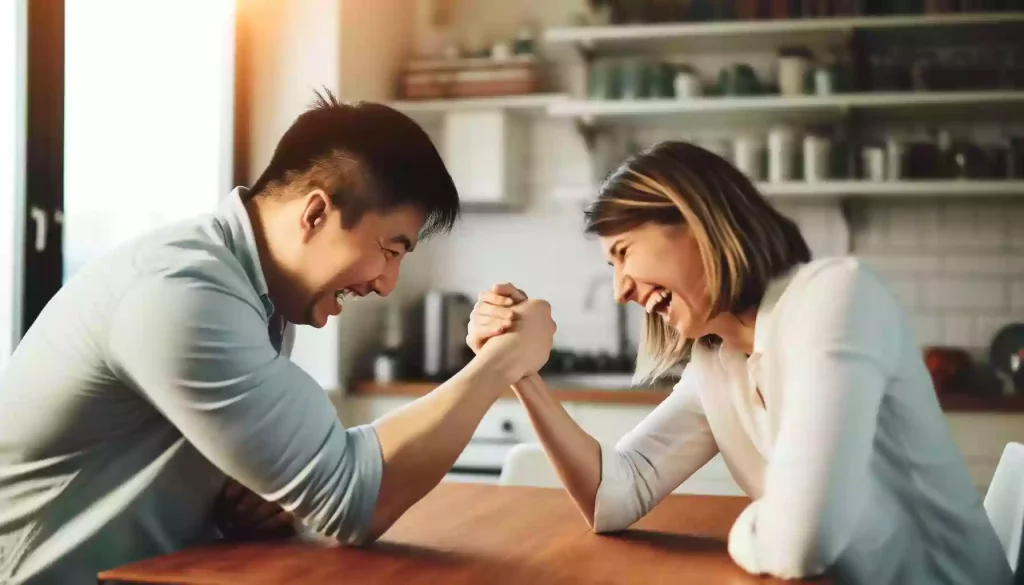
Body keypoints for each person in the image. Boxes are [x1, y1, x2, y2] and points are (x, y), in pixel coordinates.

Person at [0, 91, 556, 585]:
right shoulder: (184, 293)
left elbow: (300, 482)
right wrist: (499, 365)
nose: (387, 285)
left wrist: (265, 496)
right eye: (390, 249)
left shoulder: (256, 296)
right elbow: (351, 498)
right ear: (316, 213)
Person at [466, 141, 1012, 584]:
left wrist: (752, 526)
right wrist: (519, 371)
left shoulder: (833, 297)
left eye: (624, 253)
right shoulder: (717, 361)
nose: (619, 290)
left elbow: (801, 544)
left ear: (694, 219)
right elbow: (615, 496)